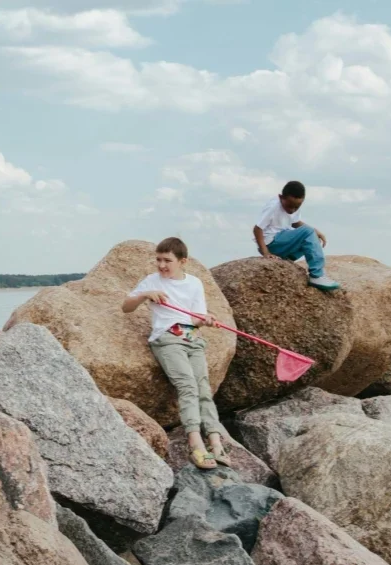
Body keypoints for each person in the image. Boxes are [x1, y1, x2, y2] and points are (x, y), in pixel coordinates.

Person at [122, 237, 230, 470]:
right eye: (158, 260)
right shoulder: (152, 281)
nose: (161, 265)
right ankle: (196, 445)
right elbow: (126, 307)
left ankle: (215, 441)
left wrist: (205, 320)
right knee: (187, 385)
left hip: (192, 337)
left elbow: (195, 319)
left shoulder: (194, 283)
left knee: (203, 388)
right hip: (167, 339)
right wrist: (145, 295)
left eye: (167, 260)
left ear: (183, 261)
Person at [253, 180, 340, 291]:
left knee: (312, 239)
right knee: (308, 232)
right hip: (272, 243)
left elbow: (295, 222)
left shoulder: (293, 205)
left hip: (280, 244)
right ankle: (316, 275)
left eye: (296, 207)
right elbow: (257, 228)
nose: (292, 210)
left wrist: (315, 232)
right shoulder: (273, 206)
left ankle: (287, 259)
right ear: (281, 197)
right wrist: (266, 253)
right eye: (289, 206)